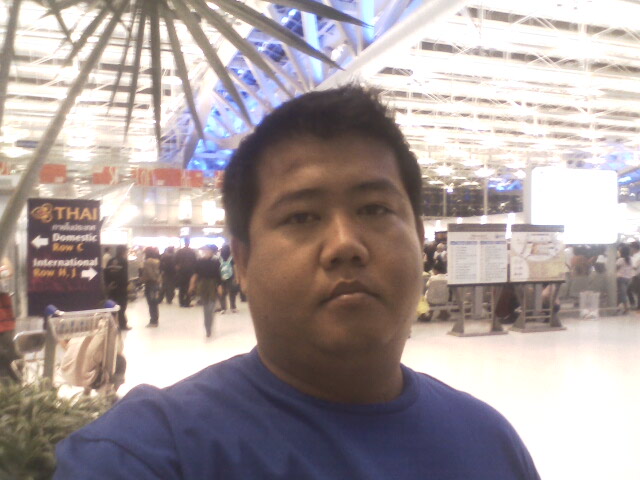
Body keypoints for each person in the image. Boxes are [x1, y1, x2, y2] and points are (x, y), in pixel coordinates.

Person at [54, 86, 539, 479]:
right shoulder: (152, 453)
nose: (345, 244)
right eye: (302, 216)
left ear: (416, 235)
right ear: (243, 262)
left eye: (374, 209)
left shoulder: (488, 442)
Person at [188, 245, 222, 338]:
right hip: (202, 285)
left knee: (211, 306)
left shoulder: (216, 262)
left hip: (213, 285)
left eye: (208, 250)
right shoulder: (199, 262)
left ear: (212, 251)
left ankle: (209, 325)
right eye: (205, 250)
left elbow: (218, 275)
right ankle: (207, 327)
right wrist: (192, 285)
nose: (206, 252)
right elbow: (195, 274)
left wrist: (219, 286)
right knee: (206, 307)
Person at [0, 257, 19, 384]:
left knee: (8, 356)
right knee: (7, 357)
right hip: (4, 322)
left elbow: (8, 272)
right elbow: (8, 272)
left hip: (5, 321)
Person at [103, 245, 131, 331]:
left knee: (112, 306)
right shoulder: (123, 261)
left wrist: (108, 284)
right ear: (123, 251)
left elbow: (105, 273)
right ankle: (122, 325)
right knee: (122, 307)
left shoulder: (110, 261)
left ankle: (111, 325)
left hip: (112, 288)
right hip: (121, 288)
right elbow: (124, 275)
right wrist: (126, 285)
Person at [141, 247, 161, 328]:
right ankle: (155, 319)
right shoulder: (157, 261)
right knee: (154, 303)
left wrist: (143, 278)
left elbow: (149, 273)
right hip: (156, 284)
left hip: (150, 283)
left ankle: (153, 321)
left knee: (151, 303)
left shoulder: (147, 262)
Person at [175, 238, 197, 307]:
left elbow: (175, 261)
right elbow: (195, 262)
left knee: (181, 287)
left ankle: (181, 302)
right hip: (190, 271)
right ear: (189, 243)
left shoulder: (179, 251)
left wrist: (178, 267)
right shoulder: (192, 252)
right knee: (188, 286)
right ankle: (187, 302)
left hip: (181, 271)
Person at [218, 244, 238, 314]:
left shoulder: (219, 258)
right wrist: (236, 277)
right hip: (231, 276)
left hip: (221, 277)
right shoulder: (232, 258)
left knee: (222, 293)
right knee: (232, 292)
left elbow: (218, 268)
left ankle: (223, 308)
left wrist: (219, 277)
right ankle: (233, 307)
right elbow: (235, 268)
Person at [616, 244, 634, 314]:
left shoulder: (620, 260)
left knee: (622, 294)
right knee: (622, 293)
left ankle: (626, 308)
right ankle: (617, 306)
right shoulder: (631, 259)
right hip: (629, 279)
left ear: (622, 252)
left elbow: (616, 268)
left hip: (621, 278)